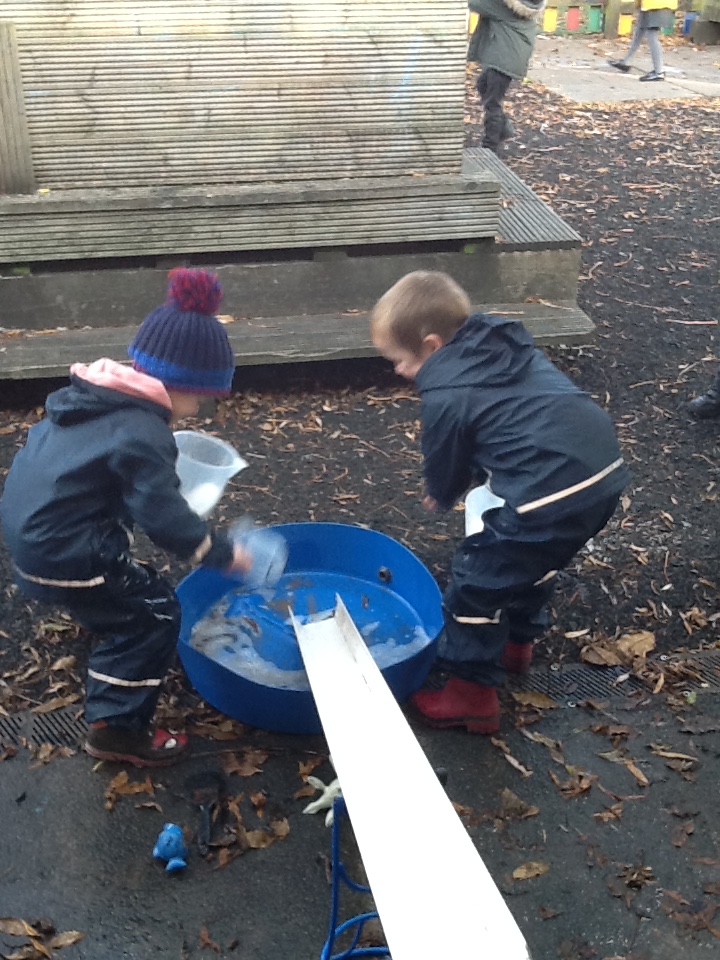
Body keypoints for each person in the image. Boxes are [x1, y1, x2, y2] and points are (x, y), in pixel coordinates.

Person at [0, 268, 252, 767]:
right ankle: (117, 731)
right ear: (179, 384)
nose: (197, 412)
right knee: (153, 614)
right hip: (66, 553)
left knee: (119, 595)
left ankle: (100, 619)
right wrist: (218, 553)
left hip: (29, 534)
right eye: (199, 398)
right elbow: (163, 519)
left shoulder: (93, 399)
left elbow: (109, 482)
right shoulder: (144, 432)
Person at [370, 271, 630, 734]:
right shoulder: (500, 348)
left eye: (400, 360)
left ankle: (471, 697)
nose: (398, 371)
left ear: (431, 346)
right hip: (601, 472)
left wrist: (443, 491)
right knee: (532, 561)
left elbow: (446, 452)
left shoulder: (445, 390)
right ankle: (515, 646)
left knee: (477, 580)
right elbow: (505, 422)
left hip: (549, 490)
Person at [468, 0, 545, 153]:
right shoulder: (526, 4)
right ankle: (503, 128)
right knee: (483, 84)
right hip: (510, 55)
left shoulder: (503, 6)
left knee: (492, 101)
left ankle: (490, 146)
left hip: (504, 58)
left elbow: (474, 3)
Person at [607, 0, 678, 82]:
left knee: (651, 34)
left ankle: (659, 72)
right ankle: (625, 62)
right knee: (639, 30)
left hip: (657, 5)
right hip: (650, 4)